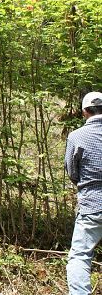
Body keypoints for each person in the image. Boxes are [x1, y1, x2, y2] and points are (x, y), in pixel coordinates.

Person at [65, 91, 102, 295]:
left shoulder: (76, 136)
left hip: (92, 206)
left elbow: (72, 171)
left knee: (80, 256)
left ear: (84, 112)